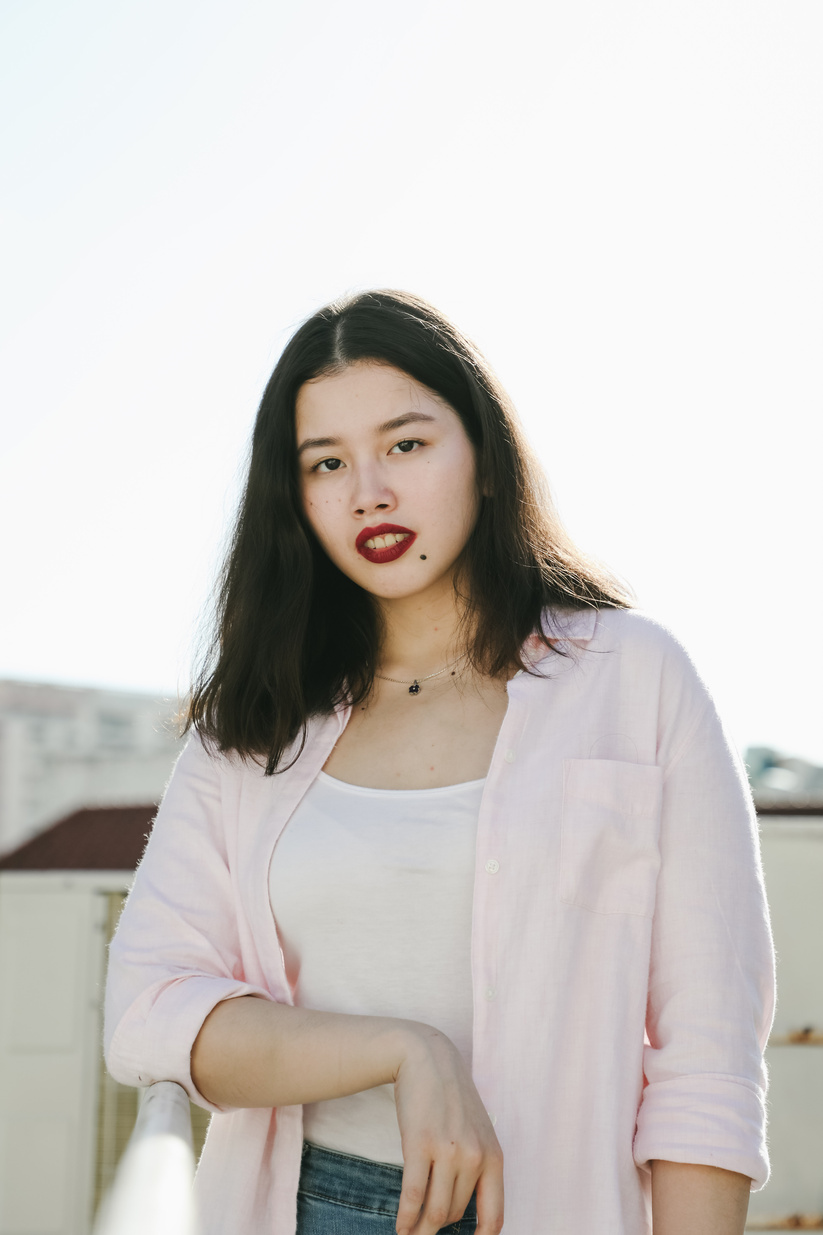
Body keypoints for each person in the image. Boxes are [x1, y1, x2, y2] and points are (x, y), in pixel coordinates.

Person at [104, 289, 776, 1235]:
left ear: (485, 459)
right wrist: (403, 1050)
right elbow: (148, 1008)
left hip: (560, 1207)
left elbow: (706, 1047)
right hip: (310, 1207)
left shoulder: (635, 679)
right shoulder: (252, 728)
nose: (368, 490)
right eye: (326, 462)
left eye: (406, 444)